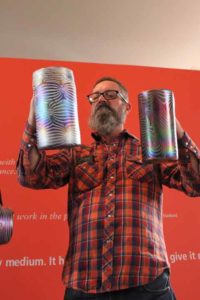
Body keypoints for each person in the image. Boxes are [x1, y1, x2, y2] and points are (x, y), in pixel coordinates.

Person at [17, 77, 200, 300]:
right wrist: (34, 122)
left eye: (111, 95)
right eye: (96, 96)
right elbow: (32, 176)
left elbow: (196, 184)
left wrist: (179, 135)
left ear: (127, 106)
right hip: (84, 286)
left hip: (146, 283)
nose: (102, 99)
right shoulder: (77, 154)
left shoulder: (150, 151)